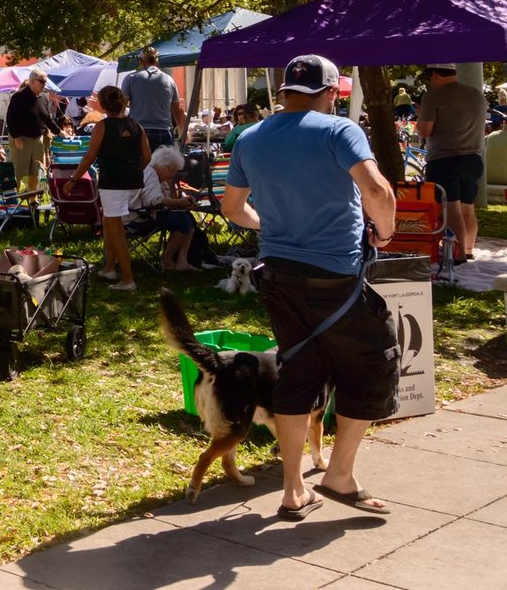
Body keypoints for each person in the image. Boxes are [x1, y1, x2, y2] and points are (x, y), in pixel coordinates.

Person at [221, 53, 399, 520]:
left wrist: (270, 227)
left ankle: (293, 489)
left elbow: (232, 208)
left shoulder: (251, 138)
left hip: (278, 275)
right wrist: (384, 231)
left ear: (284, 93)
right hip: (335, 276)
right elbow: (378, 192)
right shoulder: (339, 130)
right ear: (328, 94)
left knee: (299, 373)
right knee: (373, 365)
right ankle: (338, 475)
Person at [65, 84, 149, 291]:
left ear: (102, 104)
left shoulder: (102, 127)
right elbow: (147, 156)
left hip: (113, 183)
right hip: (134, 181)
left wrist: (73, 179)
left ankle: (128, 279)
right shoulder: (136, 125)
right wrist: (134, 170)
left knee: (115, 229)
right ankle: (110, 267)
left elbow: (89, 157)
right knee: (109, 222)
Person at [416, 64, 487, 262]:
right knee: (467, 208)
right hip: (473, 158)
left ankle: (459, 254)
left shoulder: (433, 96)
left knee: (451, 209)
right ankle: (469, 249)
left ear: (436, 74)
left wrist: (422, 115)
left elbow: (424, 131)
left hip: (445, 159)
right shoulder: (476, 94)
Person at [130, 145, 201, 271]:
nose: (172, 175)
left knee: (187, 217)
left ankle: (181, 261)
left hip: (142, 213)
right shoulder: (151, 174)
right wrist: (178, 203)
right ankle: (168, 260)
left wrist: (180, 202)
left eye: (175, 172)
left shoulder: (155, 174)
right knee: (183, 221)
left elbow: (159, 200)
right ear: (161, 164)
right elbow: (154, 202)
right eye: (171, 170)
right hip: (137, 218)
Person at [5, 68, 59, 198]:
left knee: (35, 172)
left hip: (38, 139)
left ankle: (32, 199)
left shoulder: (43, 98)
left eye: (45, 82)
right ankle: (11, 201)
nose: (44, 84)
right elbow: (11, 118)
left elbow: (48, 119)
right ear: (32, 81)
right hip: (21, 139)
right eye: (42, 81)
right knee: (18, 172)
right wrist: (16, 136)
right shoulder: (19, 96)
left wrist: (59, 131)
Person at [120, 46, 186, 150]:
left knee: (140, 165)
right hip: (164, 132)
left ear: (141, 61)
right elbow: (177, 111)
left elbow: (121, 108)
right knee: (164, 166)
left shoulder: (131, 78)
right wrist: (184, 133)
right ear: (157, 61)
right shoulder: (169, 80)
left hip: (139, 131)